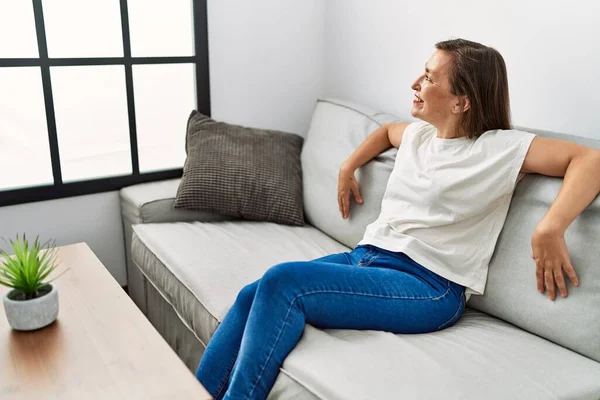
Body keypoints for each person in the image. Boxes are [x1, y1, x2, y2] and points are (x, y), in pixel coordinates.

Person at [195, 38, 600, 400]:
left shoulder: (498, 148)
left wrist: (551, 226)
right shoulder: (420, 135)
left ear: (462, 102)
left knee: (284, 282)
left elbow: (589, 159)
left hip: (428, 285)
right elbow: (387, 131)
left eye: (428, 77)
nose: (414, 84)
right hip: (367, 259)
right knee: (254, 291)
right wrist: (347, 166)